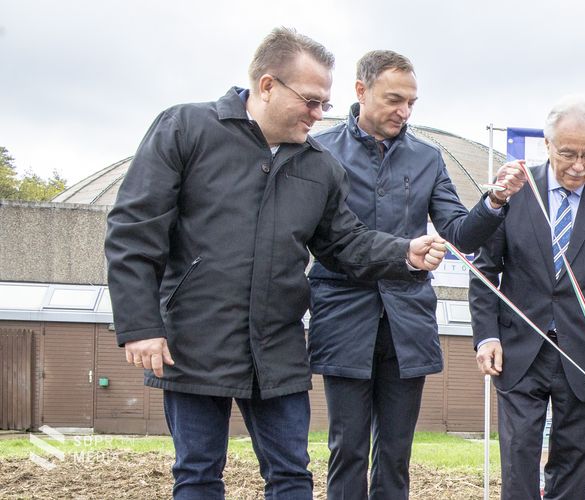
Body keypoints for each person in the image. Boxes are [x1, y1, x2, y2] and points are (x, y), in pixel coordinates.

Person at [105, 28, 451, 499]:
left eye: (324, 103)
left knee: (292, 476)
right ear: (267, 85)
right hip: (194, 340)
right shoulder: (185, 130)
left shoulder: (319, 164)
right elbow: (133, 231)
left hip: (278, 346)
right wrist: (141, 324)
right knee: (198, 473)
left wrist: (401, 253)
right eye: (310, 100)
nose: (319, 114)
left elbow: (343, 242)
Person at [308, 50, 525, 500]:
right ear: (360, 91)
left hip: (407, 320)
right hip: (343, 315)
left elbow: (461, 234)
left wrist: (495, 201)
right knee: (345, 449)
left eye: (411, 102)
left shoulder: (428, 158)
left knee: (396, 451)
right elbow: (317, 238)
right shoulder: (320, 152)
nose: (404, 111)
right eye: (393, 99)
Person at [469, 98, 585, 500]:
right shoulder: (514, 190)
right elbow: (485, 270)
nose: (579, 166)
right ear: (547, 145)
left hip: (584, 351)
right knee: (518, 456)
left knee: (575, 460)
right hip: (519, 349)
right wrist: (486, 337)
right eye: (568, 153)